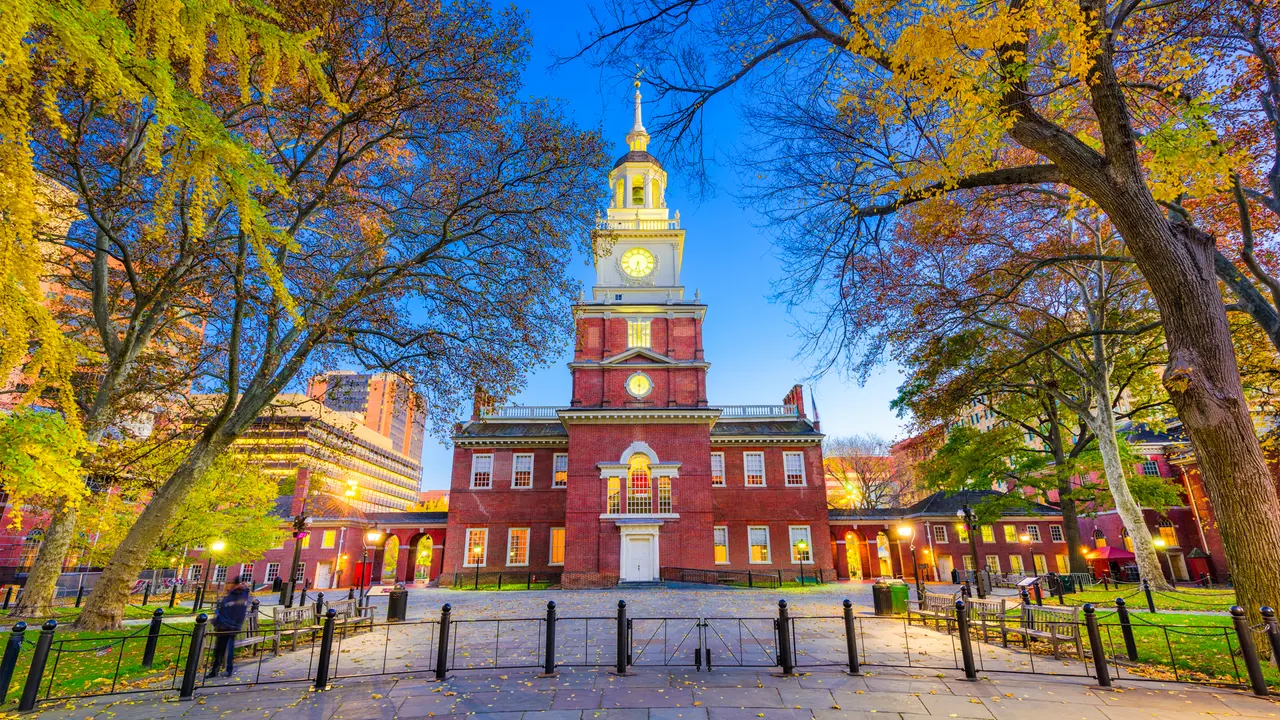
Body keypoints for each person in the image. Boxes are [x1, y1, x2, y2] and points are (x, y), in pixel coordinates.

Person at [209, 575, 252, 677]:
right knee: (219, 649)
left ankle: (228, 669)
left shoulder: (242, 595)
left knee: (227, 648)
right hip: (223, 625)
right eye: (241, 583)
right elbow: (225, 607)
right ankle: (215, 669)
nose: (243, 584)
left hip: (230, 626)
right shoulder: (234, 593)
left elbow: (237, 609)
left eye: (244, 583)